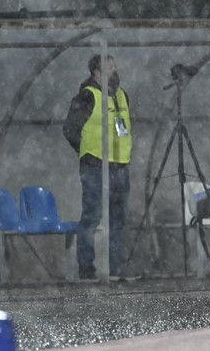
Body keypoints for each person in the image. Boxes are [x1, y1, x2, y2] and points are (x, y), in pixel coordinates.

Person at [62, 54, 132, 280]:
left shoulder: (121, 95)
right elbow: (70, 129)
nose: (114, 71)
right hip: (95, 165)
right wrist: (87, 153)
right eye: (109, 68)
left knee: (118, 218)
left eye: (114, 66)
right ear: (96, 72)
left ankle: (116, 267)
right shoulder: (88, 96)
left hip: (119, 165)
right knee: (92, 216)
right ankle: (86, 267)